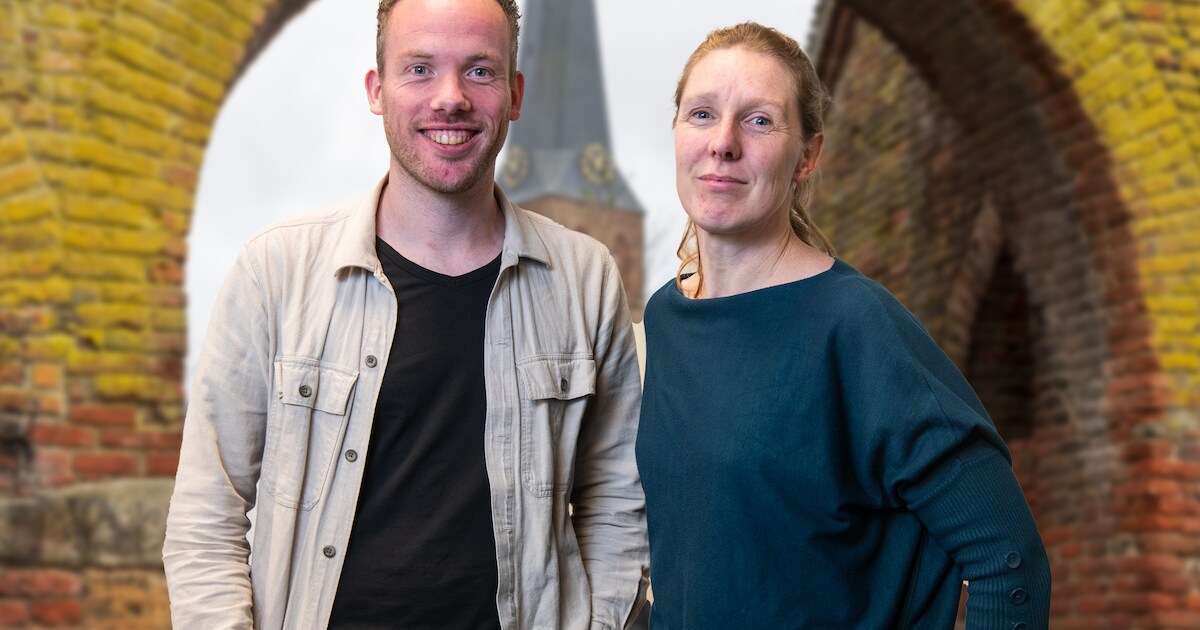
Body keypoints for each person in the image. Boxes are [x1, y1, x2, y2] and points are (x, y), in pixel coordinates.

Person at [162, 0, 649, 627]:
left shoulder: (586, 279)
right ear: (377, 89)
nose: (450, 98)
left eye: (479, 71)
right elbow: (208, 513)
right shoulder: (276, 272)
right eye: (419, 68)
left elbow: (614, 502)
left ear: (514, 93)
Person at [635, 22, 1051, 629]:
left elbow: (1010, 561)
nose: (723, 142)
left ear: (807, 155)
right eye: (702, 114)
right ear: (677, 132)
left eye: (758, 121)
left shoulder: (856, 327)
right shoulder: (665, 318)